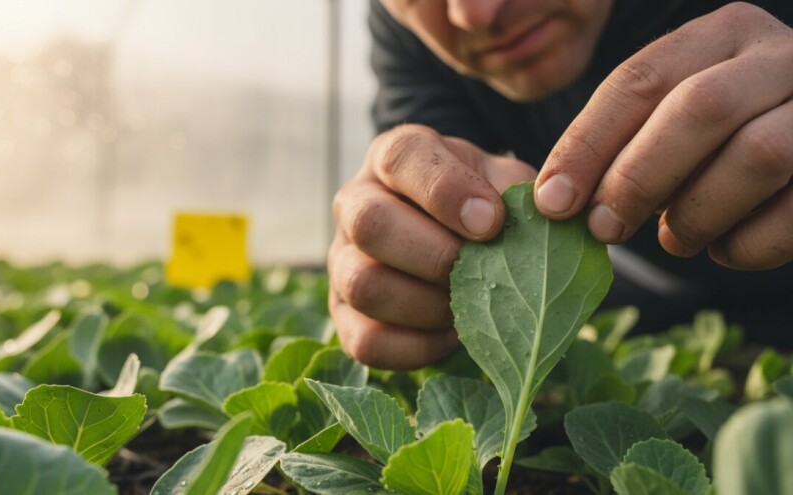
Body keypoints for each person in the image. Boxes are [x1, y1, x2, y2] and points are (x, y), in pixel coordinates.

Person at [329, 0, 793, 370]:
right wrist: (399, 244)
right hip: (652, 308)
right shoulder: (409, 32)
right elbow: (426, 184)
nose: (473, 14)